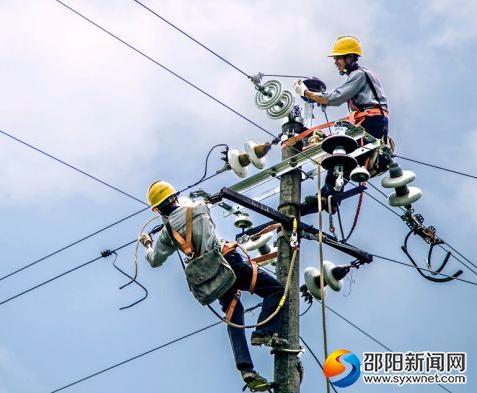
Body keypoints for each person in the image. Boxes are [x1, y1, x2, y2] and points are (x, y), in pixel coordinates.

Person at [139, 180, 286, 391]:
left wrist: (148, 244)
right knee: (275, 290)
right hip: (229, 262)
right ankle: (264, 331)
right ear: (174, 197)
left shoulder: (167, 233)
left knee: (233, 316)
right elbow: (192, 204)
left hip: (212, 277)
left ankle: (246, 370)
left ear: (158, 209)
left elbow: (154, 260)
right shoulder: (199, 207)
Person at [293, 36, 390, 203]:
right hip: (372, 121)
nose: (336, 62)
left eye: (338, 58)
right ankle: (328, 198)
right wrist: (316, 98)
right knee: (342, 157)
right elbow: (332, 98)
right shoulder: (360, 75)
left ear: (350, 57)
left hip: (371, 121)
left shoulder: (359, 75)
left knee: (340, 155)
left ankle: (328, 197)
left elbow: (335, 98)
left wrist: (307, 93)